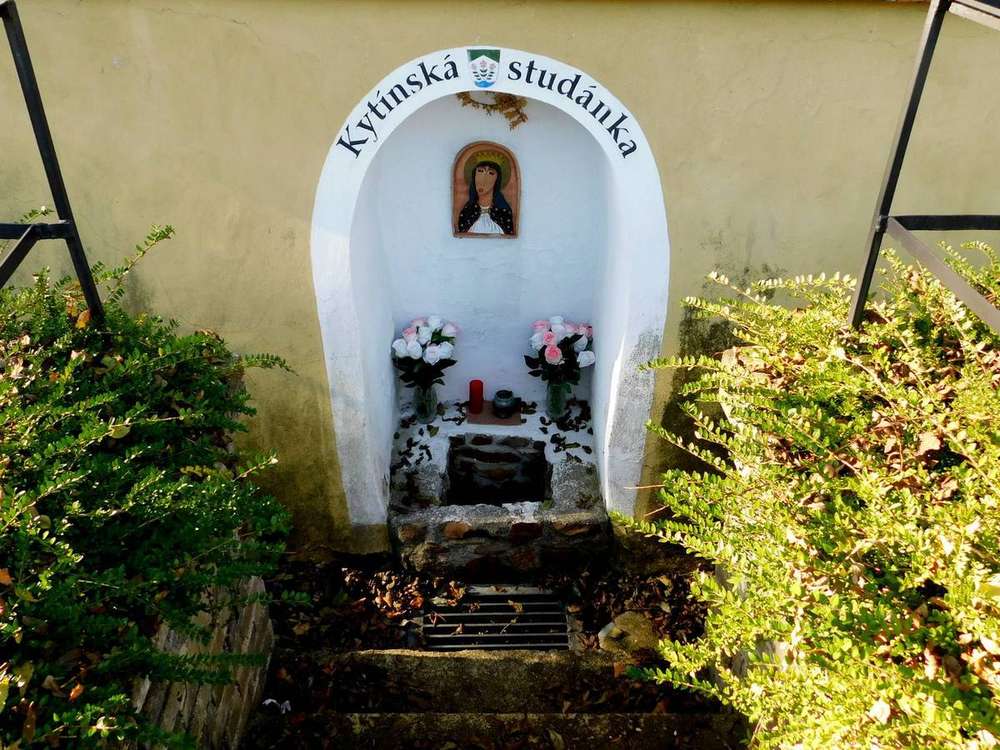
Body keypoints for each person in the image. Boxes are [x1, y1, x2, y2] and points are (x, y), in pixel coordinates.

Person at [456, 160, 515, 235]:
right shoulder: (467, 211)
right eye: (480, 171)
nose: (483, 178)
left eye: (491, 173)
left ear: (497, 180)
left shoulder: (503, 212)